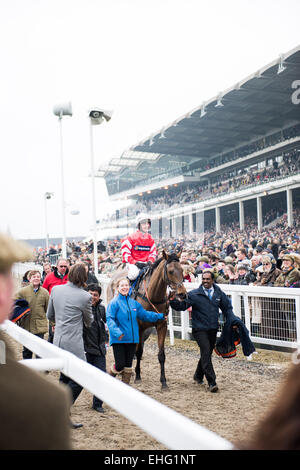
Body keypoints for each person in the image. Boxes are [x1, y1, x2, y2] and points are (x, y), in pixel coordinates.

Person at [0, 233, 71, 450]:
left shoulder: (46, 293)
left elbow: (51, 309)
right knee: (25, 355)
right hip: (28, 328)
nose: (36, 280)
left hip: (41, 327)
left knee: (40, 353)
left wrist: (52, 323)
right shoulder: (45, 401)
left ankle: (37, 370)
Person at [169, 270, 236, 392]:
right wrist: (172, 301)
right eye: (203, 279)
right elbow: (182, 306)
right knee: (205, 352)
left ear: (212, 280)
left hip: (212, 329)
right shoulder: (194, 294)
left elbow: (227, 308)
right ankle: (212, 382)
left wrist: (233, 320)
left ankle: (198, 375)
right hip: (199, 329)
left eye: (207, 279)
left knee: (207, 353)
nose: (205, 281)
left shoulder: (219, 293)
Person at [47, 263, 93, 429]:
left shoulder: (56, 290)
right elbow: (89, 322)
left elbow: (49, 315)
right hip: (73, 343)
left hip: (58, 339)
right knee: (81, 378)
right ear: (83, 277)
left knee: (65, 377)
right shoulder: (85, 296)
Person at [106, 277, 165, 385]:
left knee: (128, 366)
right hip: (119, 340)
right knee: (120, 365)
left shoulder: (134, 304)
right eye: (122, 285)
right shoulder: (113, 303)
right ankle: (108, 379)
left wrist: (159, 316)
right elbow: (110, 320)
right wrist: (117, 333)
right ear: (118, 288)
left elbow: (145, 315)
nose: (124, 287)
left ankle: (124, 388)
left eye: (126, 285)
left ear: (129, 287)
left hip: (132, 340)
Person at [83, 283, 108, 413]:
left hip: (99, 349)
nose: (92, 297)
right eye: (90, 294)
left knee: (101, 376)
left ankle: (97, 403)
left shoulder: (102, 309)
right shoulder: (81, 308)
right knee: (78, 379)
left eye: (95, 295)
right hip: (85, 348)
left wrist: (105, 342)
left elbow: (105, 325)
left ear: (99, 296)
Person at [15, 270, 49, 360]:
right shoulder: (22, 292)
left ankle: (39, 370)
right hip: (26, 325)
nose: (36, 278)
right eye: (34, 277)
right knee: (27, 350)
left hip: (39, 326)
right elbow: (13, 303)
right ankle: (27, 369)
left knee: (39, 350)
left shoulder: (45, 293)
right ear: (29, 279)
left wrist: (53, 323)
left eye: (38, 276)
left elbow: (48, 310)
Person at [121, 213, 157, 281]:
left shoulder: (151, 239)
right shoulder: (130, 238)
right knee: (134, 274)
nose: (146, 226)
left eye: (147, 224)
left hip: (146, 264)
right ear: (139, 225)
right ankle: (128, 289)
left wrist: (150, 261)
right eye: (144, 224)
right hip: (133, 265)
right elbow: (125, 254)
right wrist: (135, 263)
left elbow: (153, 253)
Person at [43, 258, 69, 343]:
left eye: (65, 266)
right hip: (54, 309)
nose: (63, 268)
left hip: (68, 308)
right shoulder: (49, 276)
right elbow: (44, 291)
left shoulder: (71, 276)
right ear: (57, 266)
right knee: (53, 333)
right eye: (61, 266)